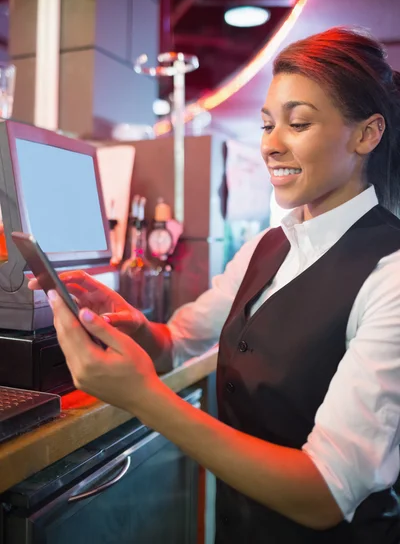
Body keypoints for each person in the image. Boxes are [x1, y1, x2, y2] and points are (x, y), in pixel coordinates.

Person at [30, 27, 400, 543]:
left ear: (367, 134)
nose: (272, 144)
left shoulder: (392, 274)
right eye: (268, 124)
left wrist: (145, 398)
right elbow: (178, 342)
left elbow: (325, 494)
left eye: (298, 123)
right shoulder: (269, 246)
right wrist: (129, 322)